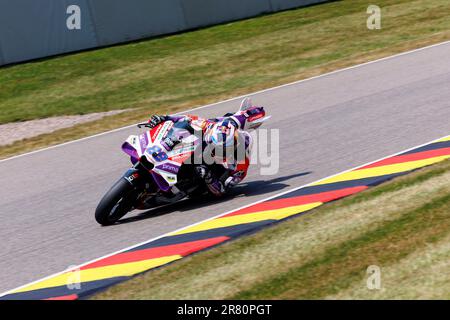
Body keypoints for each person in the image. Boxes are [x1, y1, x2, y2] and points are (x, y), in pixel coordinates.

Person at [146, 104, 266, 196]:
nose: (215, 150)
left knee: (205, 173)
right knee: (184, 132)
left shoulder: (241, 164)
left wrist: (209, 177)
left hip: (206, 181)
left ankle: (178, 186)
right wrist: (164, 118)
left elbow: (222, 190)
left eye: (220, 149)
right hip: (198, 148)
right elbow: (186, 119)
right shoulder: (214, 125)